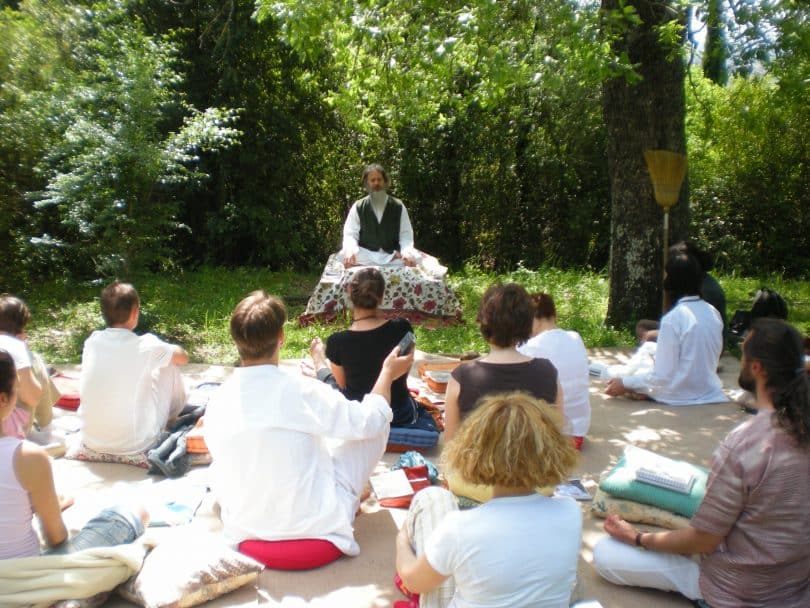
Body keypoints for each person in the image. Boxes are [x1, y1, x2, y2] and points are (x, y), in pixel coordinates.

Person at [593, 318, 810, 606]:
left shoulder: (746, 443)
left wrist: (638, 538)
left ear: (756, 368)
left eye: (743, 353)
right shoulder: (793, 426)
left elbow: (704, 540)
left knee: (605, 553)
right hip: (797, 583)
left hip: (741, 590)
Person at [203, 290, 414, 554]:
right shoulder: (303, 391)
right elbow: (369, 422)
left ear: (236, 341)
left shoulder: (219, 399)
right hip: (319, 523)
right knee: (375, 421)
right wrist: (387, 373)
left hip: (248, 524)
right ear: (281, 337)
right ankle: (346, 499)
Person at [395, 392, 581, 608]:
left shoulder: (460, 528)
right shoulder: (570, 512)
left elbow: (413, 581)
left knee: (432, 496)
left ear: (474, 451)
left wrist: (402, 540)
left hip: (453, 576)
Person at [0, 350, 146, 560]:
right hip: (24, 581)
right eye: (17, 389)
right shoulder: (26, 456)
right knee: (131, 513)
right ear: (3, 399)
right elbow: (56, 537)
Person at [308, 267, 436, 432]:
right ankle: (319, 362)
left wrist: (320, 360)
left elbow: (340, 386)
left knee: (330, 386)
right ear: (382, 296)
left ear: (349, 292)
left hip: (361, 418)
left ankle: (318, 360)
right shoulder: (404, 329)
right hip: (401, 414)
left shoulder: (337, 342)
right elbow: (405, 366)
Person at [79, 281, 188, 455]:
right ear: (135, 312)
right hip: (136, 443)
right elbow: (183, 357)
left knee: (158, 363)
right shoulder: (148, 345)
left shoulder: (92, 342)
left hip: (91, 440)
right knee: (169, 363)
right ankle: (170, 418)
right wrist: (169, 349)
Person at [444, 283, 562, 442]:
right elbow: (557, 439)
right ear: (527, 324)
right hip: (535, 466)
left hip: (477, 466)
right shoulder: (548, 371)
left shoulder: (461, 377)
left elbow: (451, 444)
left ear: (483, 323)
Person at [605, 251, 726, 405]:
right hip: (709, 389)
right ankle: (622, 376)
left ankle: (621, 379)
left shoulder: (674, 318)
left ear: (671, 282)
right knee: (649, 347)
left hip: (679, 394)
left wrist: (625, 384)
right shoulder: (712, 312)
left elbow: (661, 376)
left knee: (640, 371)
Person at [517, 292, 590, 449]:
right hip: (577, 435)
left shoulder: (529, 347)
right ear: (554, 315)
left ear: (532, 319)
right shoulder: (575, 337)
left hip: (547, 439)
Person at [0, 295, 62, 446]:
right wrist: (22, 356)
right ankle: (46, 427)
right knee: (36, 363)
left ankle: (39, 427)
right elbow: (32, 398)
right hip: (9, 430)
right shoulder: (17, 350)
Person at [636, 241, 726, 343]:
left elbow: (695, 328)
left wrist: (657, 334)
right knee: (643, 325)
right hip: (691, 333)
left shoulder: (706, 290)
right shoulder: (691, 282)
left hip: (700, 339)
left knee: (650, 335)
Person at [340, 163, 419, 268]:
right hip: (367, 254)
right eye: (372, 180)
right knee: (343, 255)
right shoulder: (358, 207)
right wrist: (350, 250)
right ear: (367, 184)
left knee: (415, 257)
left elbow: (406, 234)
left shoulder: (398, 206)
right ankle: (391, 259)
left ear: (385, 182)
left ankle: (393, 257)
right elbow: (350, 234)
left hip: (392, 251)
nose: (376, 183)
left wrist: (406, 252)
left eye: (379, 179)